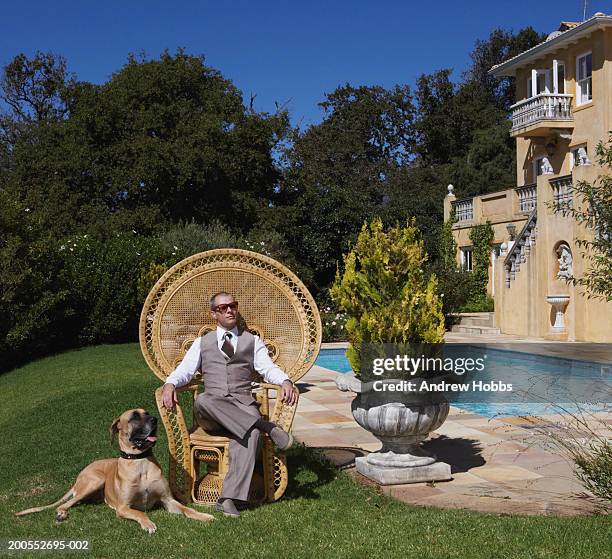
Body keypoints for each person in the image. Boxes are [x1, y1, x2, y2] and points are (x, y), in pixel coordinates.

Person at [161, 292, 297, 518]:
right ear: (214, 313)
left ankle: (227, 499)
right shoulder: (202, 343)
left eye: (233, 305)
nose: (230, 310)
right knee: (204, 399)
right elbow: (185, 371)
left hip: (242, 406)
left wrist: (284, 380)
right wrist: (170, 384)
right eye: (223, 308)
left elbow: (267, 368)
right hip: (212, 412)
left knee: (251, 435)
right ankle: (267, 427)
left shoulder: (251, 341)